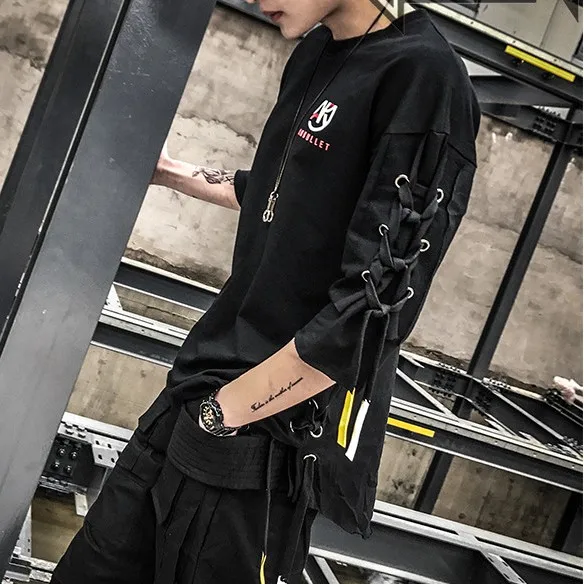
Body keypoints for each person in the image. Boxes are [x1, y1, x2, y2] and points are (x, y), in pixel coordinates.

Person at [52, 1, 480, 583]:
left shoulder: (425, 80)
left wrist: (225, 414)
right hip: (201, 387)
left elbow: (369, 313)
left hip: (269, 436)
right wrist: (173, 173)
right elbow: (285, 191)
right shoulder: (314, 51)